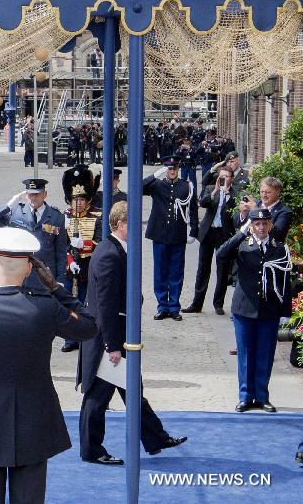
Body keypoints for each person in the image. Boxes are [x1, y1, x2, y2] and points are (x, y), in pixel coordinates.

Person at [0, 227, 97, 503]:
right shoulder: (46, 308)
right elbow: (90, 326)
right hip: (34, 425)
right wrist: (56, 288)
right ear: (29, 270)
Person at [77, 202, 187, 465]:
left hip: (116, 335)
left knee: (132, 391)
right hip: (109, 338)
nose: (138, 229)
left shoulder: (115, 250)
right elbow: (104, 304)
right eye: (134, 223)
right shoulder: (109, 255)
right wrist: (113, 345)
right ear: (121, 224)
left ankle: (156, 437)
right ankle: (92, 449)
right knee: (98, 397)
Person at [217, 208, 291, 413]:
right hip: (244, 309)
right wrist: (241, 233)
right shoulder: (242, 245)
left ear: (270, 225)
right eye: (256, 224)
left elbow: (285, 280)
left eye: (264, 223)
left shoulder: (279, 248)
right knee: (246, 354)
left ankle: (261, 396)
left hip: (268, 310)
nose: (261, 227)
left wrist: (285, 311)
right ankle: (245, 396)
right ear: (251, 225)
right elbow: (221, 255)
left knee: (265, 354)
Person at [143, 156, 198, 320]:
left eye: (174, 168)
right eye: (169, 168)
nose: (172, 171)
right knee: (160, 272)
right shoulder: (157, 185)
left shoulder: (186, 186)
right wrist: (154, 175)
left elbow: (193, 209)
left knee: (176, 272)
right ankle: (162, 306)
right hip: (159, 234)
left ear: (178, 169)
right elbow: (138, 187)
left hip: (177, 234)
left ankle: (174, 306)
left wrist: (194, 230)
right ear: (165, 170)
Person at [184, 165, 236, 315]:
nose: (224, 179)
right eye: (222, 176)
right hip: (208, 232)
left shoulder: (234, 193)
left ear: (231, 179)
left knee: (222, 270)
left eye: (227, 177)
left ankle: (218, 303)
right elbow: (203, 203)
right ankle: (197, 303)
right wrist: (215, 191)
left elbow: (236, 212)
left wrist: (227, 195)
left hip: (224, 234)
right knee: (203, 269)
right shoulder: (210, 188)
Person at [61, 166, 103, 353]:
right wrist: (71, 259)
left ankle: (87, 337)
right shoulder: (64, 216)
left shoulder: (98, 215)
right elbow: (61, 244)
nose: (77, 203)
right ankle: (70, 338)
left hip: (90, 265)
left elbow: (100, 241)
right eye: (74, 199)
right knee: (69, 303)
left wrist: (85, 244)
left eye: (81, 199)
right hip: (71, 266)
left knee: (88, 302)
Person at [8, 179, 68, 290]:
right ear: (26, 195)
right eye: (30, 194)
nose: (33, 198)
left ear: (45, 194)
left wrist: (61, 280)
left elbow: (61, 252)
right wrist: (8, 206)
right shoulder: (17, 213)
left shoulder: (56, 217)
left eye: (37, 194)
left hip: (46, 278)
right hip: (22, 277)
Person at [235, 176, 290, 244]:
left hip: (270, 251)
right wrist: (243, 214)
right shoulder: (255, 203)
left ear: (278, 193)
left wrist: (256, 211)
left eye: (268, 192)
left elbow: (277, 234)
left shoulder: (284, 211)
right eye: (262, 191)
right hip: (247, 248)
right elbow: (237, 225)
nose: (264, 195)